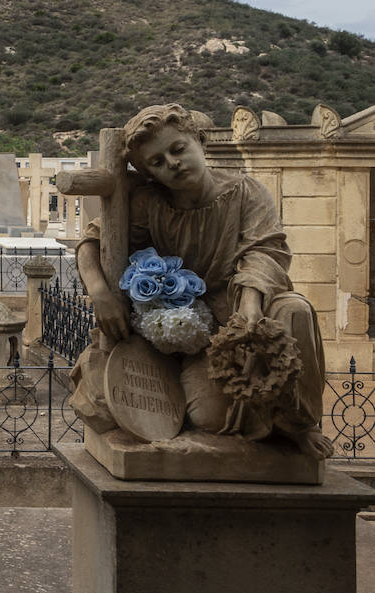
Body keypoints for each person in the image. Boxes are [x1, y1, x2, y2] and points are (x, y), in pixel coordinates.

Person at [75, 103, 332, 458]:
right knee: (207, 416)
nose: (172, 164)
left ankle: (298, 423)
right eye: (157, 162)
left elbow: (265, 251)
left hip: (248, 300)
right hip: (198, 329)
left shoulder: (246, 191)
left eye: (177, 149)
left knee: (294, 309)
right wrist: (100, 292)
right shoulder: (150, 204)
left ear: (199, 140)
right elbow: (91, 243)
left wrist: (250, 307)